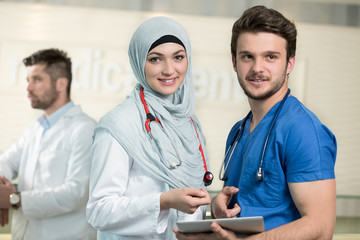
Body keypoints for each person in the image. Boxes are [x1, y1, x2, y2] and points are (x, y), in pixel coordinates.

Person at [174, 5, 337, 240]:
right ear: (234, 62)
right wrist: (219, 213)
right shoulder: (238, 131)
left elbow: (320, 226)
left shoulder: (303, 131)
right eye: (247, 56)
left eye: (271, 57)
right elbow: (250, 210)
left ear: (290, 63)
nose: (257, 68)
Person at [86, 16, 212, 240]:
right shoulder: (118, 125)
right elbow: (98, 210)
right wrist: (163, 202)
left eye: (178, 57)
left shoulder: (190, 124)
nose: (169, 69)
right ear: (138, 61)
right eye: (155, 59)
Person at [0, 48, 97, 239]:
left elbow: (76, 193)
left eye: (36, 79)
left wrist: (13, 200)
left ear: (61, 84)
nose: (28, 87)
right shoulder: (35, 129)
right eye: (28, 80)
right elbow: (6, 163)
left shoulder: (86, 129)